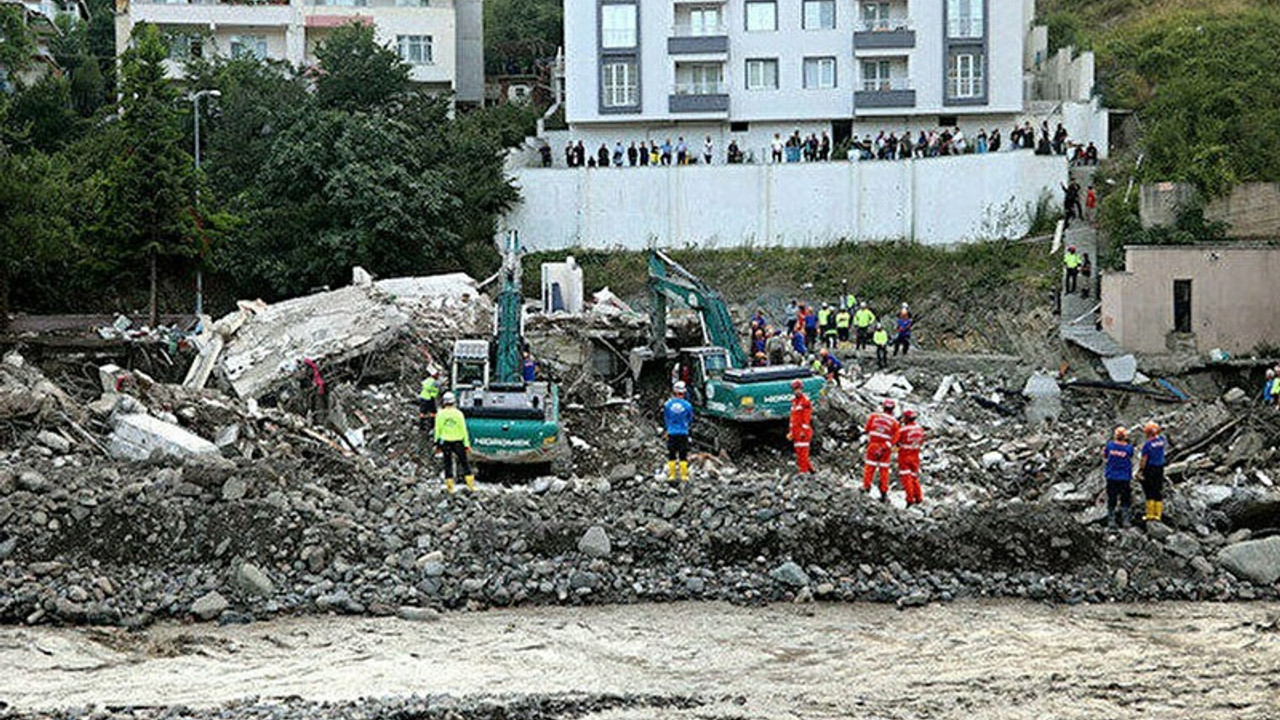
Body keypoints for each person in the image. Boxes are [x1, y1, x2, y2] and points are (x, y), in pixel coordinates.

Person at [434, 391, 474, 493]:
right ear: (454, 401)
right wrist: (467, 444)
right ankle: (471, 486)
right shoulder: (459, 414)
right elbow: (463, 430)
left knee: (447, 464)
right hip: (458, 441)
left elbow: (437, 430)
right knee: (464, 463)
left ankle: (450, 488)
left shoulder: (440, 414)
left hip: (445, 442)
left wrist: (437, 444)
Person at [863, 399, 900, 501]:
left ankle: (866, 487)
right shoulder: (894, 422)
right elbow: (896, 438)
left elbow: (867, 429)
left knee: (869, 468)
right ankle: (883, 492)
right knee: (884, 471)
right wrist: (885, 447)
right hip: (885, 448)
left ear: (883, 407)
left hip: (873, 445)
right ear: (893, 409)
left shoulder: (874, 417)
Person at [1103, 426, 1136, 529]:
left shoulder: (1110, 446)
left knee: (1112, 499)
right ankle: (1125, 520)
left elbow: (1105, 455)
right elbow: (1131, 456)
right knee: (1125, 499)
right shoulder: (1128, 448)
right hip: (1124, 478)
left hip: (1111, 477)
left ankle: (1111, 521)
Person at [663, 381, 695, 482]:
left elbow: (666, 418)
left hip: (671, 432)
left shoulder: (668, 405)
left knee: (671, 454)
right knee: (683, 454)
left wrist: (669, 427)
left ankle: (672, 475)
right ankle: (684, 476)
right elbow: (690, 419)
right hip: (683, 432)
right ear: (684, 392)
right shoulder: (688, 405)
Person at [895, 409, 925, 506]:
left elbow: (896, 441)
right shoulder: (920, 429)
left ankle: (910, 499)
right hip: (915, 455)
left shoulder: (903, 430)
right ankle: (919, 498)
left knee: (906, 478)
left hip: (905, 455)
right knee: (914, 477)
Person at [1139, 422, 1167, 522]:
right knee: (1158, 489)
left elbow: (1144, 459)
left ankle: (1150, 514)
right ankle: (1158, 515)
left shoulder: (1147, 445)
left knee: (1149, 490)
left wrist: (1141, 470)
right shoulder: (1162, 440)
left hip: (1150, 468)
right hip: (1160, 467)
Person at [787, 379, 814, 475]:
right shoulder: (794, 402)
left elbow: (806, 419)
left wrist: (803, 431)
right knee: (799, 453)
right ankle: (811, 470)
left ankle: (804, 472)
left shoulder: (805, 402)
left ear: (801, 389)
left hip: (803, 432)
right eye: (795, 389)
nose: (797, 391)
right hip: (796, 432)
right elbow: (792, 419)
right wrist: (791, 431)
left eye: (798, 389)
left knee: (803, 453)